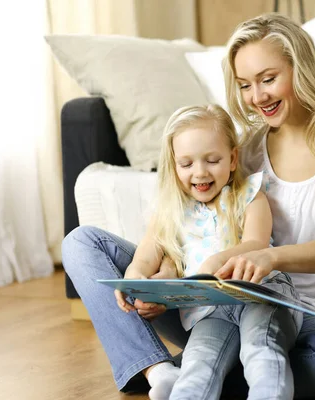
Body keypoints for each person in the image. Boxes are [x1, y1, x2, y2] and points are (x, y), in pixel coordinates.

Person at [62, 10, 315, 399]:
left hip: (308, 320)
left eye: (268, 79)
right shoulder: (246, 149)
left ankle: (201, 376)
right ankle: (156, 371)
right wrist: (161, 277)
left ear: (301, 68)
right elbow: (190, 223)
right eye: (245, 85)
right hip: (218, 302)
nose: (257, 97)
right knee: (81, 243)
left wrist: (270, 258)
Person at [121, 103, 302, 399]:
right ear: (174, 165)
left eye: (212, 160)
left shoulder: (249, 195)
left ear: (232, 159)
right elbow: (144, 258)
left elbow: (256, 243)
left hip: (259, 295)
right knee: (198, 365)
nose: (200, 172)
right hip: (208, 311)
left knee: (261, 351)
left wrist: (217, 260)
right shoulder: (171, 211)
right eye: (187, 163)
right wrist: (135, 281)